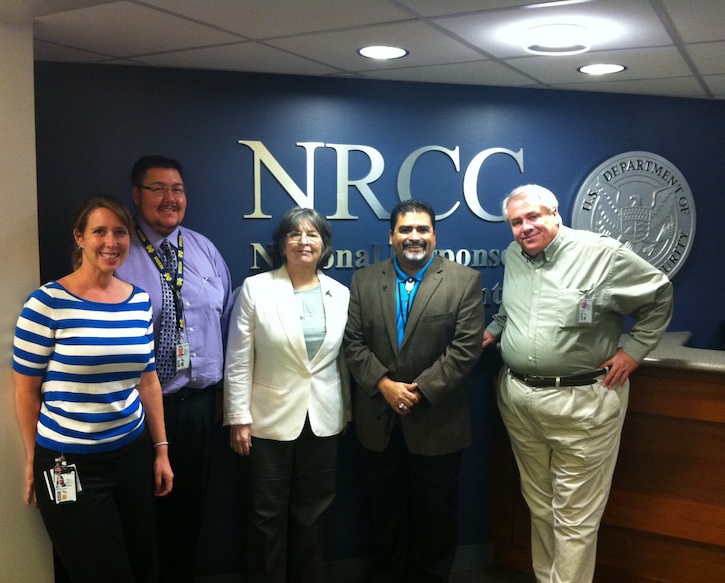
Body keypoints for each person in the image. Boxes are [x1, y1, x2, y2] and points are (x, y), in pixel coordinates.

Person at [484, 184, 673, 583]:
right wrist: (495, 329)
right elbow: (510, 310)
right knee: (538, 505)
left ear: (555, 213)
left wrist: (633, 351)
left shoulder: (602, 254)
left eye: (533, 217)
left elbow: (659, 295)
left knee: (575, 517)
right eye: (516, 222)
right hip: (520, 401)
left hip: (582, 406)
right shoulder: (513, 256)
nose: (525, 228)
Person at [13, 194, 173, 583]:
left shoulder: (139, 300)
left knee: (143, 565)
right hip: (70, 462)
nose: (110, 242)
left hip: (132, 456)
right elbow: (26, 391)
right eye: (99, 231)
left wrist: (161, 451)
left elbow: (148, 380)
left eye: (120, 232)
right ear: (79, 238)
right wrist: (35, 458)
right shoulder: (46, 303)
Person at [344, 199, 484, 582]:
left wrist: (418, 390)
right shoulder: (364, 280)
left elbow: (466, 348)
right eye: (405, 230)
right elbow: (353, 343)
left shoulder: (463, 281)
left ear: (434, 235)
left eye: (422, 229)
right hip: (379, 422)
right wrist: (385, 385)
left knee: (435, 518)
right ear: (391, 236)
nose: (414, 237)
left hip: (438, 423)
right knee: (383, 516)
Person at [115, 155, 235, 582]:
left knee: (189, 514)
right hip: (140, 410)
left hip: (199, 407)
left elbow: (225, 326)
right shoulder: (117, 250)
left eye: (178, 189)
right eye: (158, 188)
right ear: (136, 194)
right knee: (142, 515)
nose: (170, 198)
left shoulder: (204, 250)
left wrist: (223, 399)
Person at [224, 207, 351, 582]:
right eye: (295, 235)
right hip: (267, 422)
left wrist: (346, 413)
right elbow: (238, 358)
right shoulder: (257, 289)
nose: (303, 241)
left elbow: (341, 359)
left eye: (312, 234)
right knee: (266, 517)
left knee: (313, 514)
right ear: (282, 244)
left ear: (324, 245)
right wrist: (238, 418)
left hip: (323, 420)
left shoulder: (339, 293)